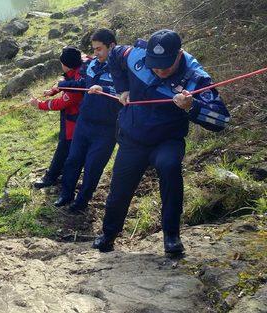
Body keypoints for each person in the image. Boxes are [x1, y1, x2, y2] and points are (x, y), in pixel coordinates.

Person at [92, 29, 230, 254]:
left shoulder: (196, 77)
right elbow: (115, 54)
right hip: (133, 138)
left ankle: (171, 237)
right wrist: (122, 87)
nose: (159, 70)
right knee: (119, 189)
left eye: (165, 65)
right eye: (154, 64)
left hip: (167, 140)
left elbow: (221, 120)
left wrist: (192, 106)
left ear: (179, 54)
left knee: (170, 167)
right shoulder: (135, 55)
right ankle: (108, 234)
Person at [53, 29, 123, 212]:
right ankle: (66, 194)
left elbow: (127, 94)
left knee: (93, 167)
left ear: (112, 46)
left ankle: (81, 202)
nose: (96, 53)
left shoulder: (122, 68)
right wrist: (61, 86)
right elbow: (82, 85)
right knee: (73, 160)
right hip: (84, 122)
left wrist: (105, 90)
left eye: (99, 49)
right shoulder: (91, 65)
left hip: (107, 129)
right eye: (94, 49)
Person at [30, 46, 84, 190]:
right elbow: (64, 79)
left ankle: (51, 177)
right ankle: (62, 173)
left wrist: (38, 104)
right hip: (76, 117)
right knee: (69, 148)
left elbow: (60, 103)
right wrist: (54, 90)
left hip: (73, 120)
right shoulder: (80, 66)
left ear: (66, 64)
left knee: (64, 148)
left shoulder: (78, 85)